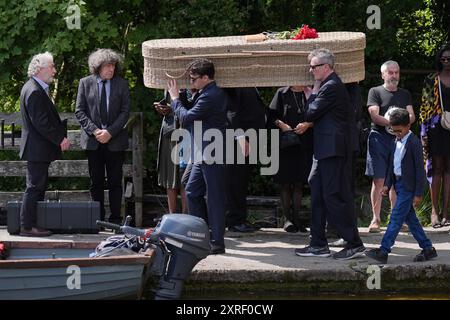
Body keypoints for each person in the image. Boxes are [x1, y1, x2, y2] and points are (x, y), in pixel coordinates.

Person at [294, 48, 365, 260]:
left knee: (333, 195)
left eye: (314, 66)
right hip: (324, 148)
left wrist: (312, 90)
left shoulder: (331, 86)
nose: (310, 70)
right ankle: (318, 244)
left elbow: (309, 112)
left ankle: (354, 243)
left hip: (332, 149)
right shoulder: (329, 85)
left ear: (326, 67)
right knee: (316, 189)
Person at [167, 59, 228, 255]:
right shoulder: (204, 93)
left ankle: (217, 242)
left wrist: (175, 99)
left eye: (193, 79)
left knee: (215, 197)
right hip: (203, 152)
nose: (191, 82)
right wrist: (182, 96)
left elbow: (185, 118)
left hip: (213, 151)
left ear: (205, 78)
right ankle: (201, 235)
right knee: (191, 190)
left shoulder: (211, 95)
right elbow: (190, 108)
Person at [366, 108, 437, 263]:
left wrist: (418, 193)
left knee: (396, 218)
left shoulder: (414, 143)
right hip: (398, 184)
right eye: (393, 130)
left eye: (399, 130)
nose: (396, 133)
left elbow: (419, 170)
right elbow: (392, 165)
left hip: (408, 187)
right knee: (411, 220)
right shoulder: (394, 141)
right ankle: (428, 248)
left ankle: (384, 250)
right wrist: (387, 184)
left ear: (408, 126)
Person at [75, 49, 130, 224]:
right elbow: (79, 110)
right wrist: (95, 131)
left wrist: (110, 132)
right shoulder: (85, 83)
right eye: (107, 66)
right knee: (95, 182)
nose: (111, 69)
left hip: (115, 141)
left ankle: (115, 221)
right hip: (94, 142)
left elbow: (125, 112)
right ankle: (96, 220)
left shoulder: (122, 84)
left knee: (115, 182)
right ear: (98, 67)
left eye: (113, 66)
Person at [19, 52, 70, 237]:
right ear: (40, 69)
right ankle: (27, 226)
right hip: (37, 149)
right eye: (52, 67)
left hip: (37, 149)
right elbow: (41, 123)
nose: (55, 71)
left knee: (37, 186)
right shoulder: (33, 90)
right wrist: (60, 139)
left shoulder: (34, 88)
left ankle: (33, 224)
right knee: (34, 186)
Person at [365, 61, 415, 233]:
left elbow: (411, 115)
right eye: (390, 72)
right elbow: (374, 115)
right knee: (379, 179)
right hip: (379, 139)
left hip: (398, 141)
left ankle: (397, 219)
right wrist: (395, 124)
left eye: (397, 72)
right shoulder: (375, 91)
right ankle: (376, 219)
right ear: (383, 75)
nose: (394, 75)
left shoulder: (405, 93)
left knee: (396, 179)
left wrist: (400, 126)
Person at [268, 86, 313, 233]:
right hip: (285, 143)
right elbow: (271, 116)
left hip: (304, 142)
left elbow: (319, 114)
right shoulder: (282, 93)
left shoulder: (310, 92)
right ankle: (287, 220)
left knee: (299, 182)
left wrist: (308, 125)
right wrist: (282, 125)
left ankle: (297, 219)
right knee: (285, 182)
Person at [224, 88, 266, 233]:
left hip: (250, 138)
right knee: (235, 180)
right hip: (240, 141)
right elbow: (231, 112)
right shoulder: (238, 85)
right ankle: (235, 220)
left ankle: (240, 218)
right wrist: (241, 137)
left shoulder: (251, 86)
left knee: (241, 181)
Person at [419, 43, 450, 228]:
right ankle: (434, 212)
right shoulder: (432, 79)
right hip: (436, 127)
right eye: (443, 59)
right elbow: (424, 106)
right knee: (437, 168)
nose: (446, 62)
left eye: (449, 59)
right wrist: (424, 131)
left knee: (449, 169)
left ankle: (446, 213)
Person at [154, 91, 189, 214]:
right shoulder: (167, 77)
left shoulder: (194, 77)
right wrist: (164, 109)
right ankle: (172, 217)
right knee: (170, 175)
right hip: (169, 129)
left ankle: (186, 217)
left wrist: (175, 108)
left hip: (186, 130)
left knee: (186, 176)